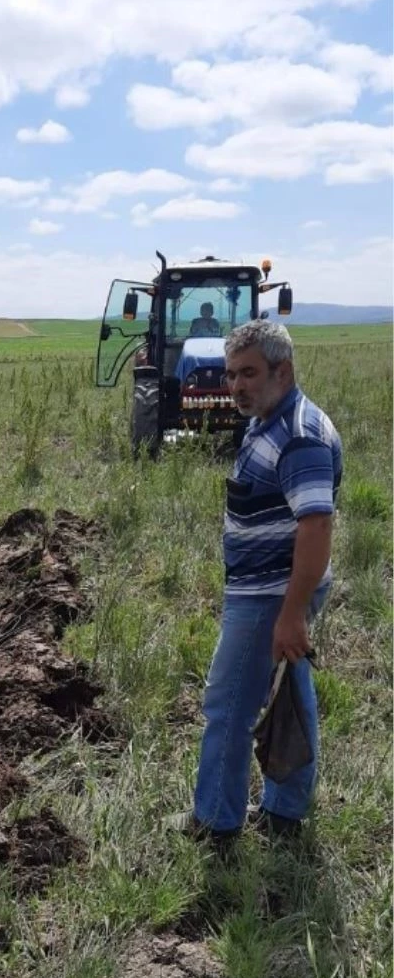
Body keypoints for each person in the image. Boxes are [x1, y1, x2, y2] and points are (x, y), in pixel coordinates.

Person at [176, 320, 343, 842]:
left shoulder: (299, 436)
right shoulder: (268, 419)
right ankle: (285, 812)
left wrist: (290, 616)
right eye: (230, 375)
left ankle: (215, 823)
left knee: (227, 707)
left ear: (282, 370)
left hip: (271, 596)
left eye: (248, 373)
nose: (235, 386)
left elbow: (316, 526)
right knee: (290, 693)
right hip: (271, 590)